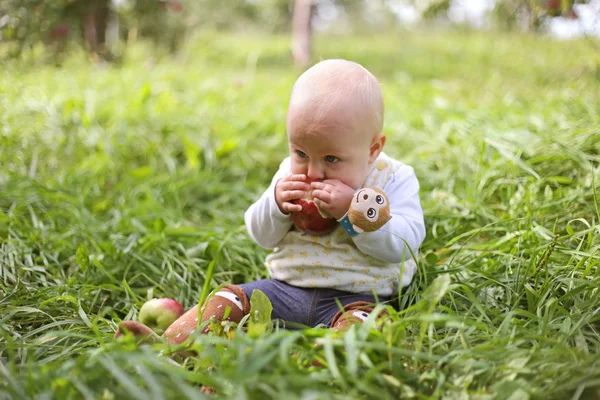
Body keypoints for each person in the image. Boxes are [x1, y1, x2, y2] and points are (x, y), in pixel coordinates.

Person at [115, 59, 426, 344]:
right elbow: (261, 235)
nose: (314, 172)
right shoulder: (289, 175)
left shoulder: (394, 178)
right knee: (229, 299)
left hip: (358, 298)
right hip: (283, 292)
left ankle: (321, 366)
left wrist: (353, 212)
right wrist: (277, 205)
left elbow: (403, 245)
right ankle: (171, 346)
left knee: (365, 327)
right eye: (301, 153)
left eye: (331, 158)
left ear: (372, 149)